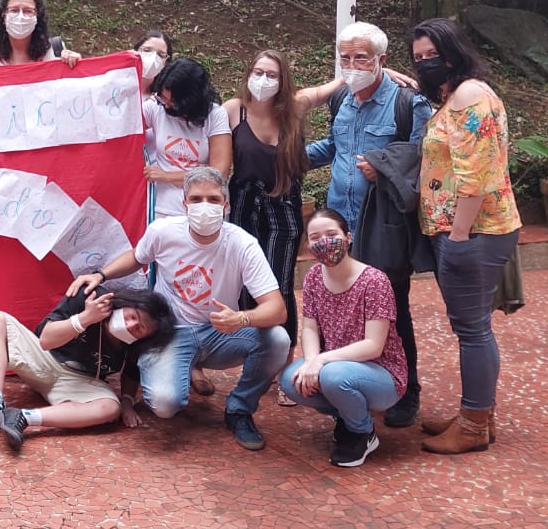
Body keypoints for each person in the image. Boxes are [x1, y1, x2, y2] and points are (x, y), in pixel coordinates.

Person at [68, 166, 289, 451]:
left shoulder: (243, 245)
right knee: (165, 405)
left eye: (213, 199)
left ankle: (239, 410)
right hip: (171, 332)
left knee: (278, 340)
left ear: (226, 204)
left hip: (221, 331)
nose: (204, 207)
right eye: (196, 200)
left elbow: (277, 310)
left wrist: (241, 318)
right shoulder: (163, 231)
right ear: (184, 205)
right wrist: (101, 274)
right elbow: (137, 257)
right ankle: (186, 366)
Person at [305, 21, 432, 426]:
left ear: (382, 60)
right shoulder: (340, 98)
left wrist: (385, 165)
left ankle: (405, 392)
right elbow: (334, 146)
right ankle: (342, 384)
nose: (352, 64)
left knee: (393, 310)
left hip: (384, 225)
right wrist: (289, 157)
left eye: (361, 57)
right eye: (345, 57)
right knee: (336, 306)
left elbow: (425, 156)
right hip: (338, 225)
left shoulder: (408, 103)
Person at [409, 18, 520, 455]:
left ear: (453, 53)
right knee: (472, 327)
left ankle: (474, 424)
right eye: (417, 58)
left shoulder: (470, 96)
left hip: (471, 232)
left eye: (431, 56)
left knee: (472, 330)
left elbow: (477, 173)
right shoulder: (456, 96)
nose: (425, 64)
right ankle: (479, 415)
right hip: (464, 231)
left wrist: (457, 236)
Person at [0, 282, 176, 452]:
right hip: (44, 358)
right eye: (132, 315)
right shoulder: (89, 296)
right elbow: (46, 340)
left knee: (109, 408)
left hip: (79, 382)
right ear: (126, 303)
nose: (130, 325)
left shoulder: (133, 346)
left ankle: (22, 417)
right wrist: (85, 318)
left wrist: (127, 402)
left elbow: (131, 371)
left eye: (139, 329)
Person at [223, 49, 338, 370]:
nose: (263, 80)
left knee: (280, 285)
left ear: (282, 80)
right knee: (245, 282)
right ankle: (255, 357)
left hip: (283, 205)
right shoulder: (234, 110)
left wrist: (376, 72)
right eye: (258, 72)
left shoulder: (293, 109)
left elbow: (329, 88)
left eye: (271, 75)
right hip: (244, 205)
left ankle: (284, 361)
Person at [279, 209, 407, 468]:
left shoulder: (374, 280)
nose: (324, 242)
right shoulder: (314, 277)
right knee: (291, 380)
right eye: (315, 237)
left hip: (382, 373)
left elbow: (374, 345)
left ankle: (362, 432)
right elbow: (311, 328)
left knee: (332, 376)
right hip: (336, 365)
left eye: (332, 234)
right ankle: (348, 417)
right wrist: (311, 361)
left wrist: (321, 361)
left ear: (348, 237)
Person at [142, 58, 231, 217]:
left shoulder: (215, 115)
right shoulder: (156, 107)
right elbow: (122, 124)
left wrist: (166, 176)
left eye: (174, 102)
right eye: (164, 98)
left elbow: (219, 172)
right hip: (163, 207)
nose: (168, 106)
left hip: (205, 209)